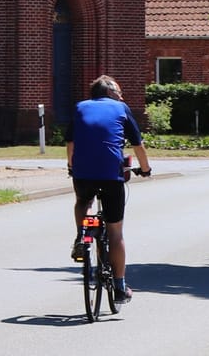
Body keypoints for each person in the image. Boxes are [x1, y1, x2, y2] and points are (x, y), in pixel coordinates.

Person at [64, 74, 151, 303]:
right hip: (111, 175)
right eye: (119, 92)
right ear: (110, 92)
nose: (121, 96)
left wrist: (73, 166)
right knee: (115, 232)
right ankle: (120, 287)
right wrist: (146, 169)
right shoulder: (121, 109)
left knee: (83, 201)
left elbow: (70, 143)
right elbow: (137, 144)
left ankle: (82, 236)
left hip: (83, 172)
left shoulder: (80, 107)